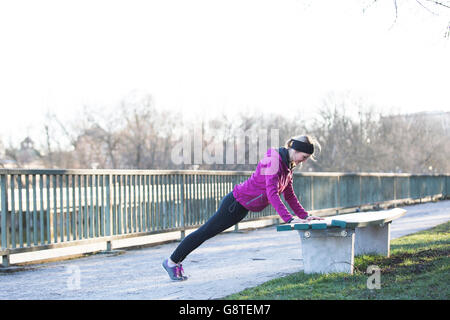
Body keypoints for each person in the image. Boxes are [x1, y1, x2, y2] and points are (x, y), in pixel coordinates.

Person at [162, 135, 323, 281]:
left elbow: (289, 195)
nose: (305, 160)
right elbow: (272, 192)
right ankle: (171, 262)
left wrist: (305, 216)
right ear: (296, 150)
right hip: (234, 204)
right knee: (205, 232)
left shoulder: (288, 167)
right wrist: (288, 218)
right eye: (305, 156)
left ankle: (175, 262)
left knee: (206, 232)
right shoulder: (273, 160)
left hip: (242, 207)